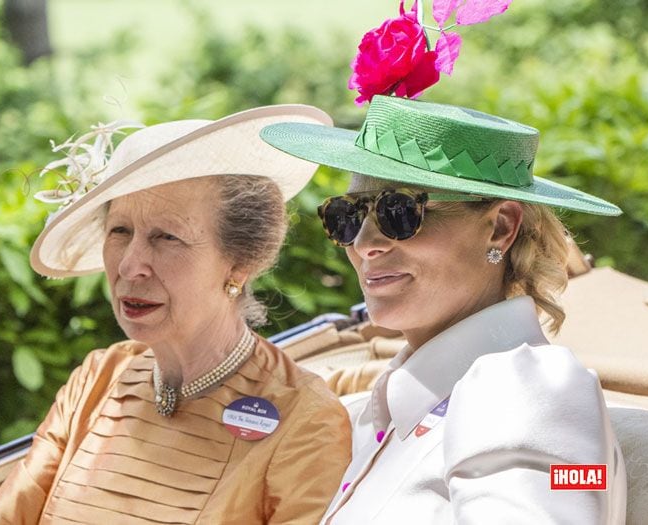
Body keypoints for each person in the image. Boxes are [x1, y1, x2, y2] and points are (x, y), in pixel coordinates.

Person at [260, 95, 627, 523]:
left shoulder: (523, 389)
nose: (363, 244)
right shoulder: (408, 398)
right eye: (348, 216)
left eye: (398, 212)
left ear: (501, 227)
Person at [0, 105, 352, 524]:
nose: (130, 264)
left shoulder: (304, 421)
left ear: (239, 262)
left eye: (167, 237)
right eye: (120, 231)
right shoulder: (99, 378)